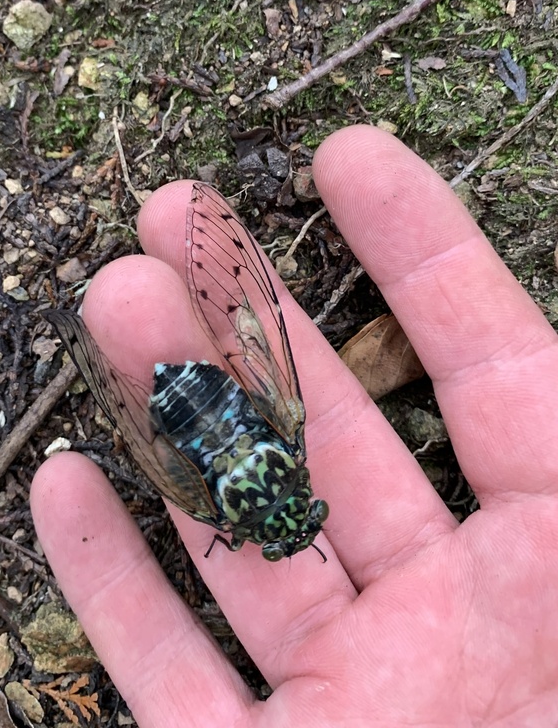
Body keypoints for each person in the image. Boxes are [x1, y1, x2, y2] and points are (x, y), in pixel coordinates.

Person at [30, 126, 558, 727]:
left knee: (231, 368)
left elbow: (178, 460)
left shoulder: (278, 461)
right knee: (204, 349)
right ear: (301, 490)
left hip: (219, 411)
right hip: (206, 420)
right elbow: (184, 469)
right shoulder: (220, 513)